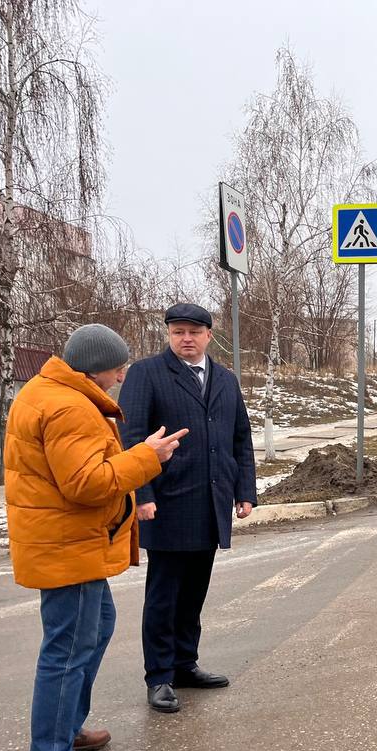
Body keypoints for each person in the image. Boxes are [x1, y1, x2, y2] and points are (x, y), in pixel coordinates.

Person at [5, 324, 187, 751]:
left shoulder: (48, 391)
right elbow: (86, 484)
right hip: (68, 544)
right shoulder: (69, 407)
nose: (123, 373)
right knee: (67, 648)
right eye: (118, 365)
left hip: (63, 541)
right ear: (96, 367)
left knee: (96, 626)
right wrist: (147, 456)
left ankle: (66, 729)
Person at [118, 303, 257, 714]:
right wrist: (142, 495)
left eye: (194, 332)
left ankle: (184, 664)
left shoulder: (226, 379)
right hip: (167, 505)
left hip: (210, 503)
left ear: (209, 336)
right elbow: (133, 438)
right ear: (168, 334)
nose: (186, 339)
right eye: (178, 331)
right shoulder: (147, 374)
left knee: (194, 592)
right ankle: (159, 676)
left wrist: (243, 490)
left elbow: (240, 438)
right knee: (164, 596)